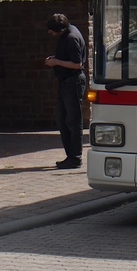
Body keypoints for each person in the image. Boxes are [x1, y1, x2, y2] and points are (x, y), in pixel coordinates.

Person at [45, 13, 87, 169]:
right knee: (62, 120)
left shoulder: (71, 38)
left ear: (61, 29)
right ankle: (71, 155)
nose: (50, 34)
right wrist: (56, 58)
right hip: (66, 83)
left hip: (73, 82)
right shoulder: (68, 33)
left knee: (73, 121)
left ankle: (75, 157)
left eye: (52, 31)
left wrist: (56, 61)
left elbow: (77, 64)